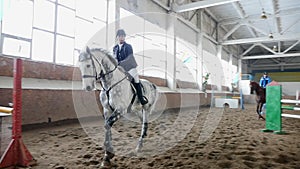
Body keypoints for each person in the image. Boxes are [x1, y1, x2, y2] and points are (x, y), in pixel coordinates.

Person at [113, 29, 148, 105]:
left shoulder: (128, 46)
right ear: (117, 37)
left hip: (130, 67)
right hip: (120, 69)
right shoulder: (115, 48)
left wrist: (120, 63)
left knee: (136, 79)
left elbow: (129, 58)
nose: (121, 38)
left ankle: (141, 98)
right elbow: (114, 58)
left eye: (122, 36)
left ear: (124, 37)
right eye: (119, 36)